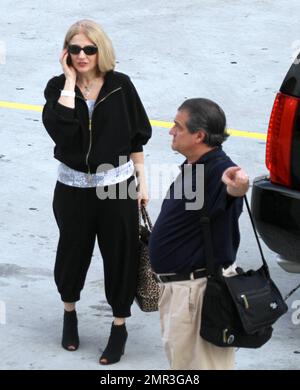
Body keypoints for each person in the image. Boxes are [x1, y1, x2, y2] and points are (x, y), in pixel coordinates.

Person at [42, 19, 151, 365]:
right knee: (72, 254)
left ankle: (118, 327)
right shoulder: (57, 88)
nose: (82, 55)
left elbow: (136, 137)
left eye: (89, 49)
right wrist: (70, 83)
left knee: (120, 255)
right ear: (66, 53)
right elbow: (61, 131)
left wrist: (143, 182)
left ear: (100, 49)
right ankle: (69, 315)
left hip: (116, 186)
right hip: (72, 187)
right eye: (74, 49)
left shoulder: (121, 86)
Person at [149, 98, 249, 370]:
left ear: (199, 135)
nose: (171, 131)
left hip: (198, 294)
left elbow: (234, 190)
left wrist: (239, 185)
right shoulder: (196, 164)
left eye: (177, 126)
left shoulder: (219, 170)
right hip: (181, 291)